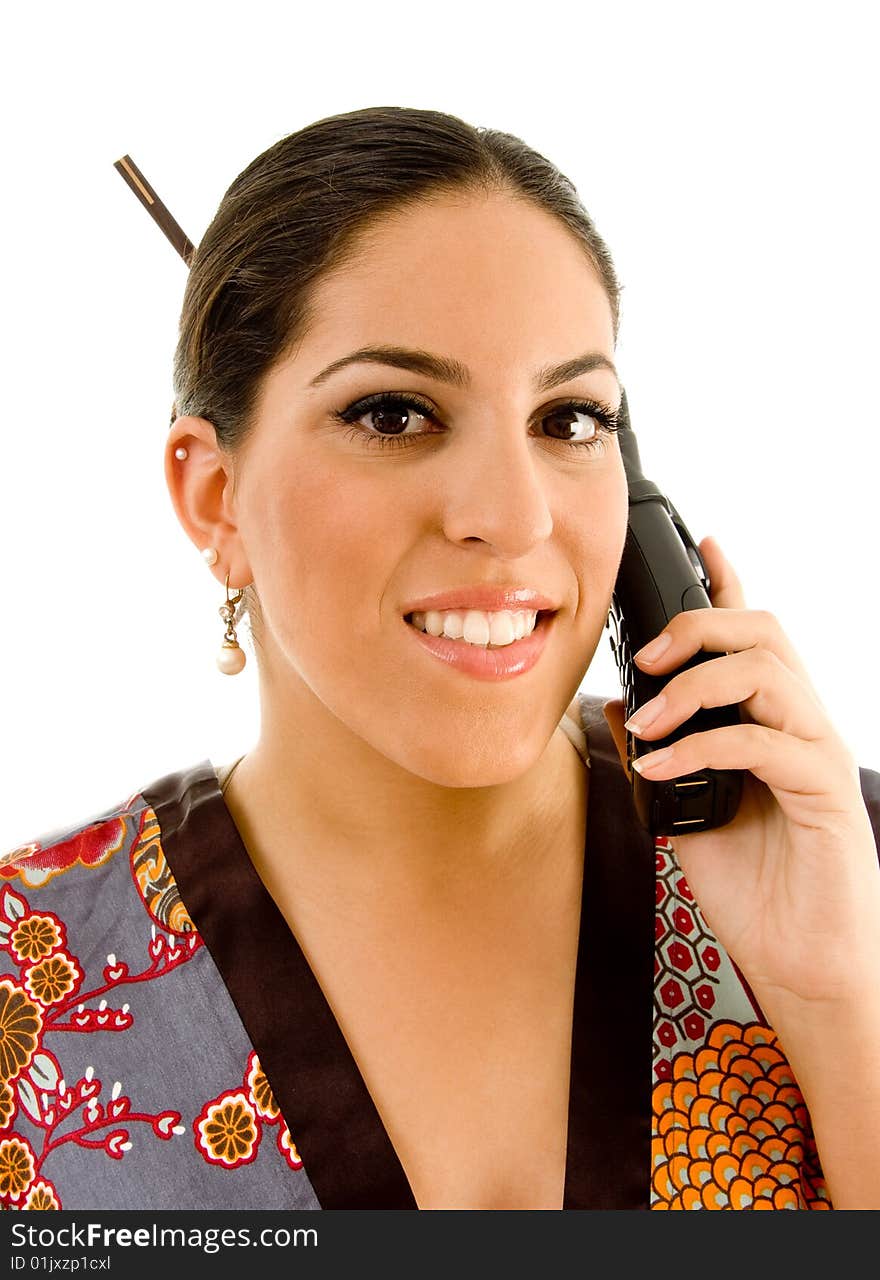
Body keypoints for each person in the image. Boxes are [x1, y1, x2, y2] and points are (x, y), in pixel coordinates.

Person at [2, 106, 879, 1213]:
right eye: (393, 411)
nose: (512, 516)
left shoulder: (845, 868)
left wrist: (842, 1000)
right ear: (215, 496)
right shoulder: (25, 977)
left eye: (567, 419)